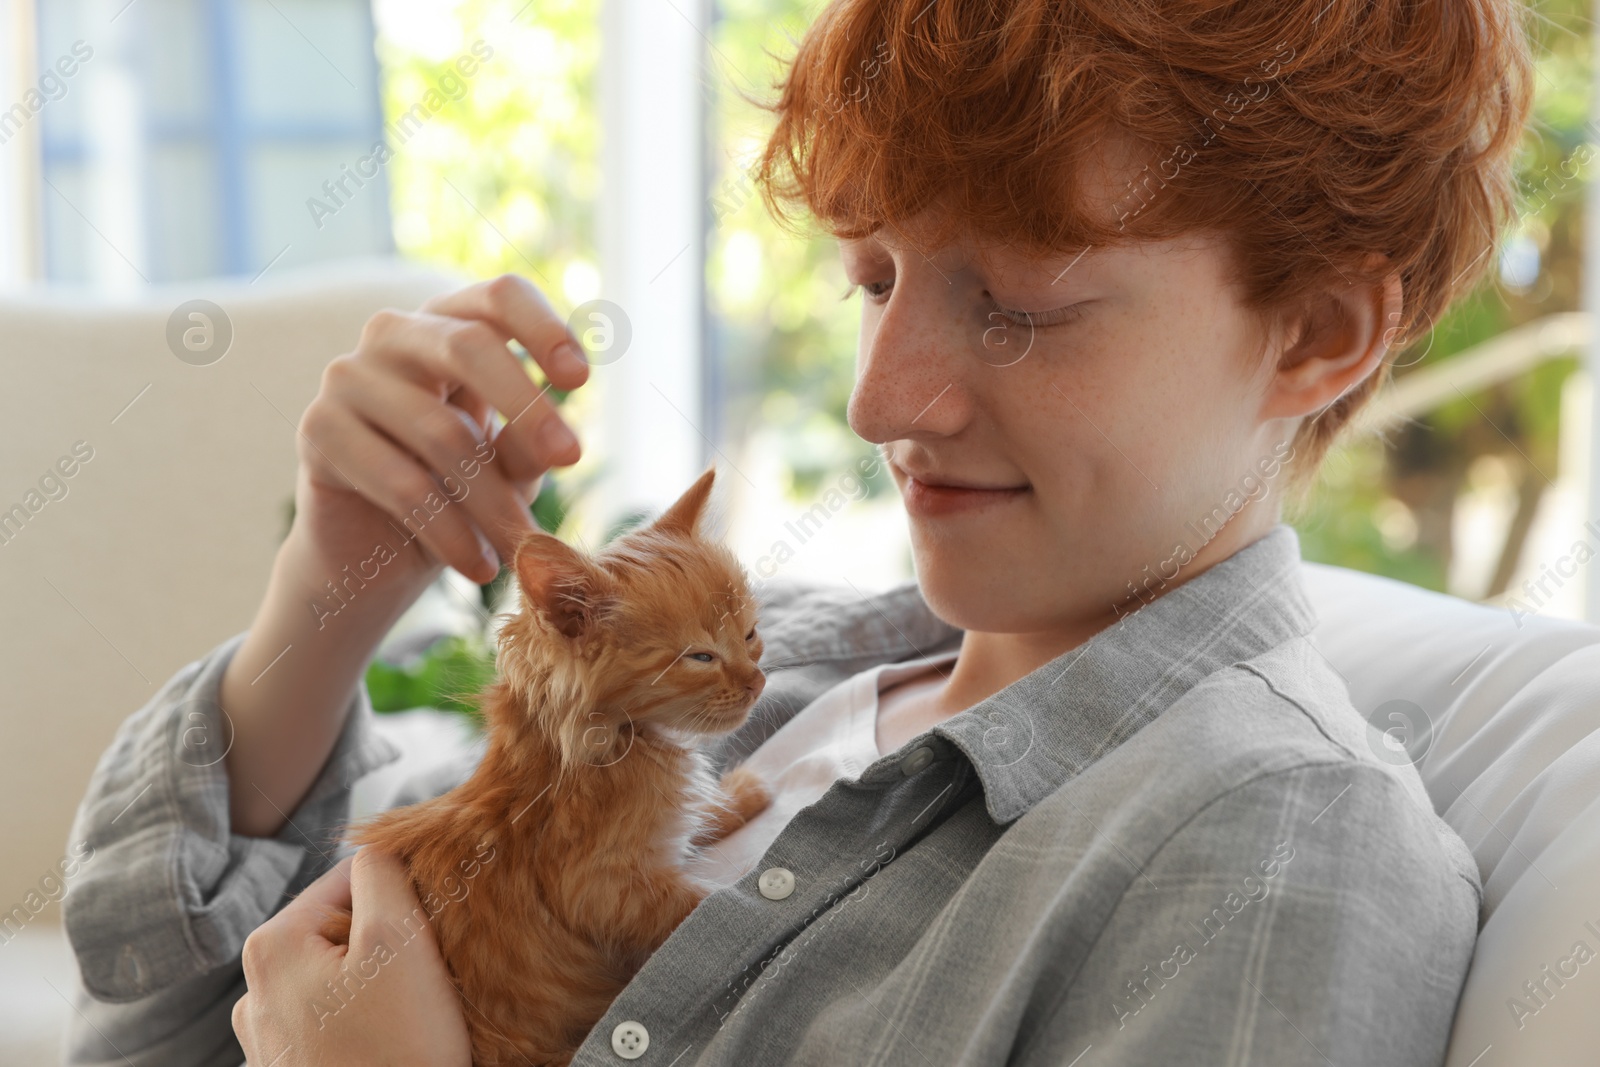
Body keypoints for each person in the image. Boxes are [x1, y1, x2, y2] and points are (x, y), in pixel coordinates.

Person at [61, 0, 1533, 1063]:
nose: (878, 400)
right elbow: (165, 1031)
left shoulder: (1269, 857)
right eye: (875, 277)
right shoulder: (797, 676)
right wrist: (331, 595)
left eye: (1017, 304)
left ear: (1321, 334)